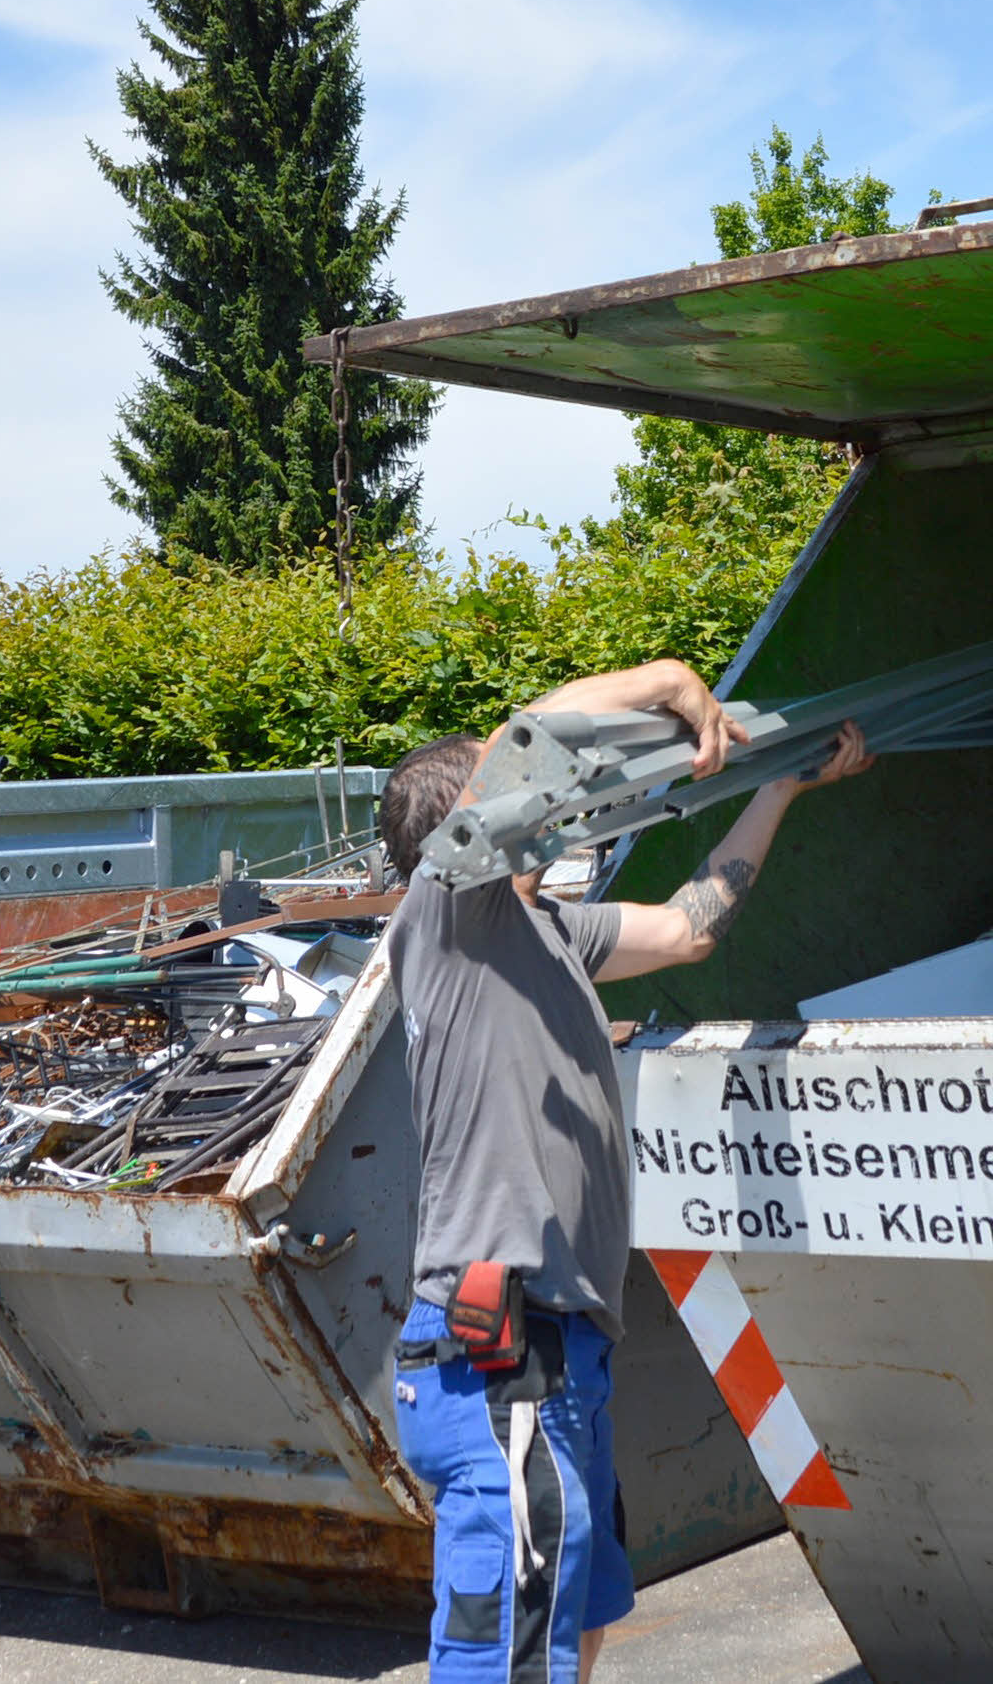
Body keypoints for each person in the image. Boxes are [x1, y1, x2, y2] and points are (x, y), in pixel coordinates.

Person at [378, 657, 872, 1684]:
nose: (556, 805)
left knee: (577, 1615)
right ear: (461, 832)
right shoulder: (449, 921)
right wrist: (665, 681)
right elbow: (528, 738)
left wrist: (777, 784)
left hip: (558, 1356)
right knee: (507, 1655)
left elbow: (692, 926)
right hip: (498, 1366)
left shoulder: (550, 934)